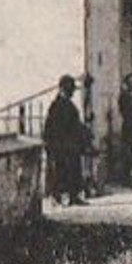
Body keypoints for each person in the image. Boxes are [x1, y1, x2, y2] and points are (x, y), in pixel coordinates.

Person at [44, 74, 87, 206]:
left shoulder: (69, 104)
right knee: (60, 172)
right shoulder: (56, 106)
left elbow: (75, 124)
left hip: (71, 145)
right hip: (61, 145)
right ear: (63, 89)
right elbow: (52, 128)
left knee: (74, 170)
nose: (73, 92)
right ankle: (60, 197)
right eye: (71, 89)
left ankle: (74, 196)